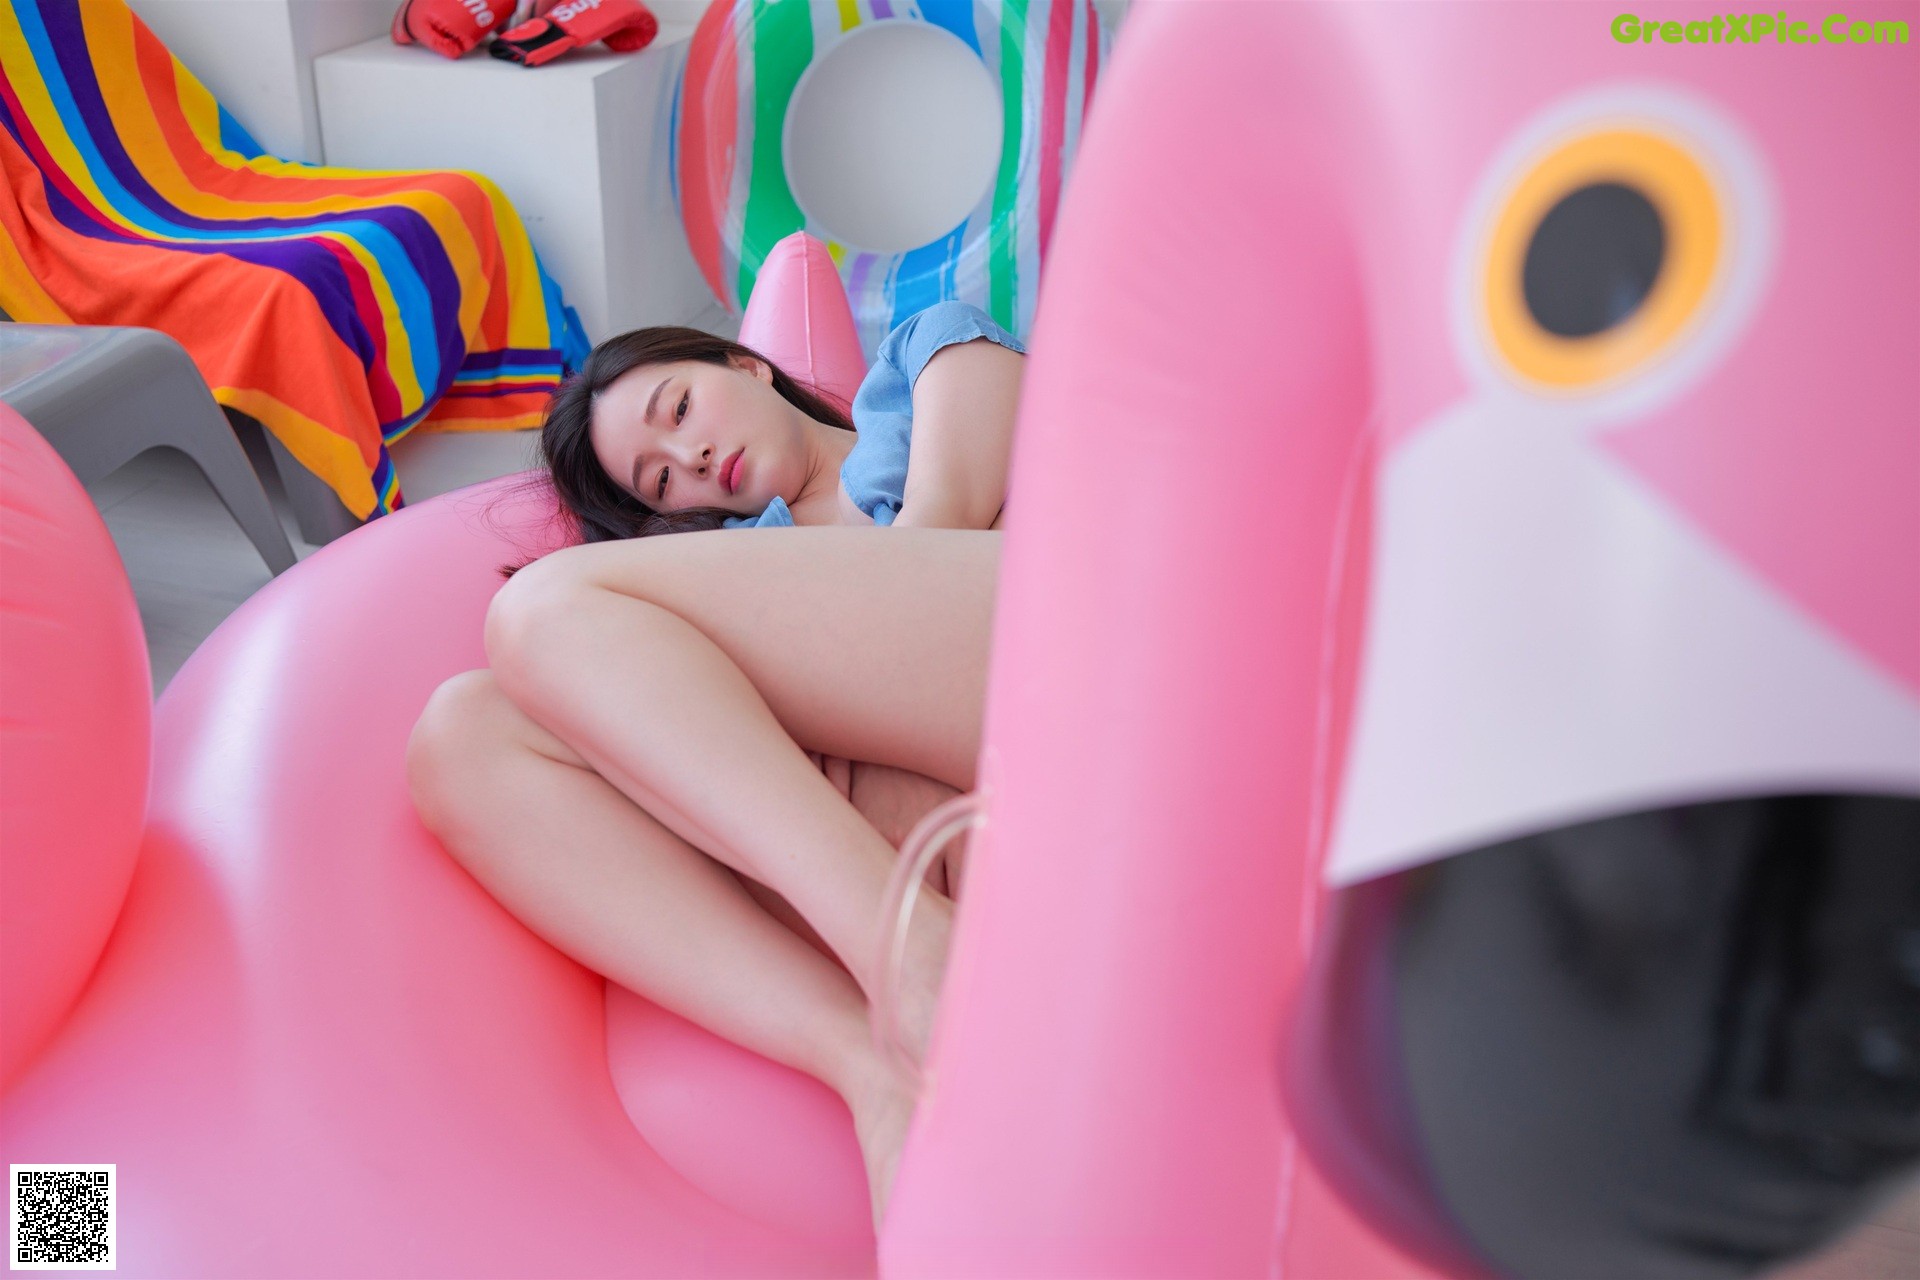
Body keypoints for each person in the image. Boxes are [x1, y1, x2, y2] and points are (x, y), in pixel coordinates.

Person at [405, 300, 1027, 1236]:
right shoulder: (722, 578)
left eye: (680, 408)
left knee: (536, 613)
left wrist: (858, 709)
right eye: (660, 481)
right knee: (461, 735)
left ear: (748, 365)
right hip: (926, 845)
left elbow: (956, 500)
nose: (689, 458)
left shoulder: (916, 367)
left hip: (1039, 675)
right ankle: (870, 1065)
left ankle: (916, 961)